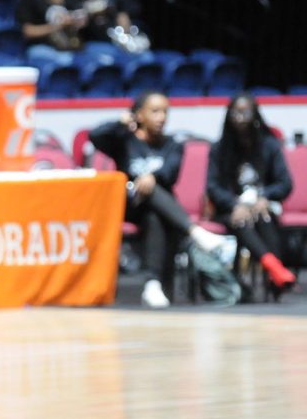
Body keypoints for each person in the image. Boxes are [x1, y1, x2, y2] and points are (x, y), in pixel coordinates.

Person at [89, 91, 227, 308]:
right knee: (149, 193)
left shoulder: (174, 145)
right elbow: (95, 136)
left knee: (154, 212)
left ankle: (152, 284)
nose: (162, 117)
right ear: (140, 115)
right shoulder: (124, 141)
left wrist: (151, 178)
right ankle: (195, 232)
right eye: (155, 111)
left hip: (157, 208)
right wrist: (121, 122)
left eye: (165, 112)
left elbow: (169, 174)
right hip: (129, 203)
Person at [206, 93, 297, 293]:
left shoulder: (269, 145)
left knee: (263, 217)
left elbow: (285, 183)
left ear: (255, 115)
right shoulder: (219, 148)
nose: (240, 117)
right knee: (241, 220)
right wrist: (234, 205)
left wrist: (265, 197)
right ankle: (275, 268)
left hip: (261, 207)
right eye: (235, 112)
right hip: (228, 210)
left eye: (245, 112)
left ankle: (275, 278)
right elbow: (212, 187)